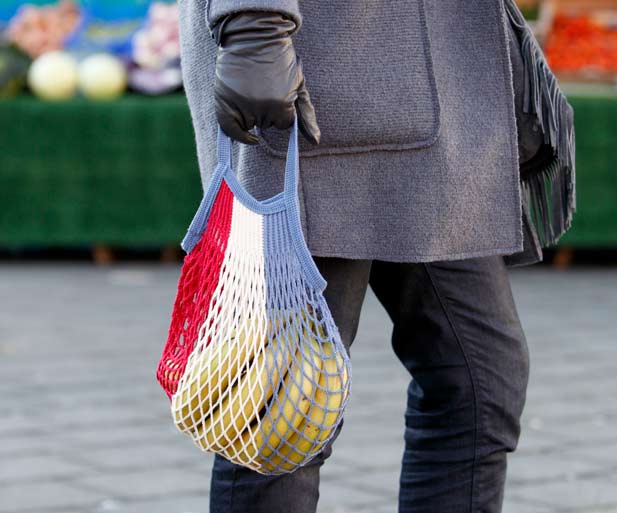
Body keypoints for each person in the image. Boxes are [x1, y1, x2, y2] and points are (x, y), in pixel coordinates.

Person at [178, 1, 576, 512]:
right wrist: (253, 21)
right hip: (315, 81)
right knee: (279, 417)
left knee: (480, 384)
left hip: (435, 100)